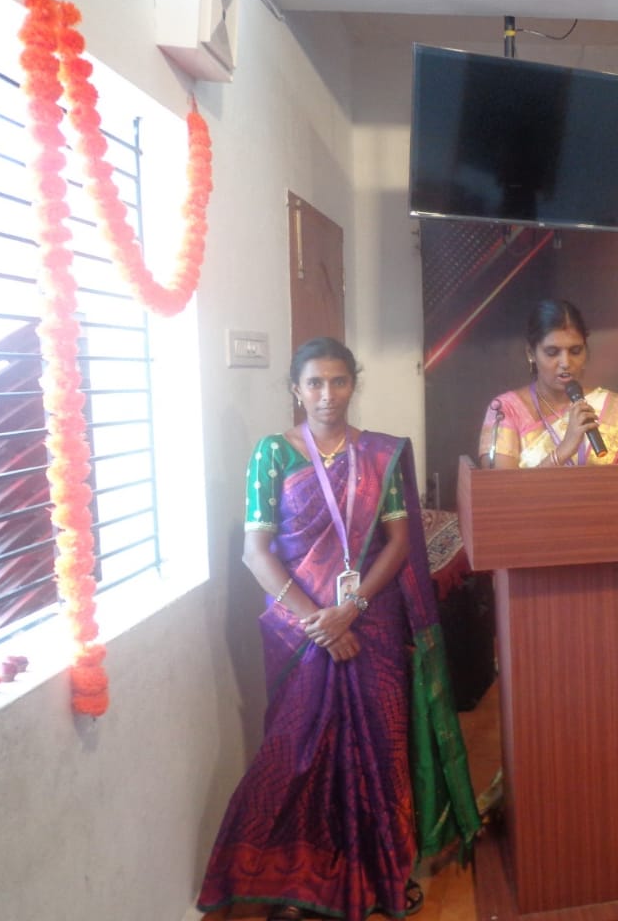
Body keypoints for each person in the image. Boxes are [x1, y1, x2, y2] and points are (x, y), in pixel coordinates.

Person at [198, 338, 481, 921]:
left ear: (353, 384)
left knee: (380, 746)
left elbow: (399, 543)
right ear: (296, 389)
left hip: (371, 622)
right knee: (298, 753)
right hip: (298, 631)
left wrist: (350, 610)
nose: (327, 395)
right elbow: (255, 552)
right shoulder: (272, 454)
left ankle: (384, 874)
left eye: (339, 381)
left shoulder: (379, 454)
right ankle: (295, 884)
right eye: (314, 383)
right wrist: (318, 622)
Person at [479, 299, 618, 468]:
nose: (565, 362)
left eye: (575, 351)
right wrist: (563, 451)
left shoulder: (617, 412)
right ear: (531, 353)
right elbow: (502, 485)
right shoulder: (506, 411)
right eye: (552, 352)